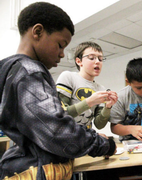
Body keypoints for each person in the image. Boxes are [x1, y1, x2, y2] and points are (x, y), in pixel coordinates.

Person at [0, 2, 116, 179]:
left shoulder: (11, 70)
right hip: (37, 171)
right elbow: (57, 131)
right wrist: (104, 144)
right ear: (37, 32)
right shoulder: (30, 72)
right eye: (60, 45)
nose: (62, 54)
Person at [56, 41, 118, 130]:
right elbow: (61, 113)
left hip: (85, 136)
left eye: (100, 59)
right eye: (92, 58)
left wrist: (108, 107)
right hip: (66, 136)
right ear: (79, 61)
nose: (97, 62)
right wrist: (90, 102)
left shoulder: (100, 89)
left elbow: (99, 125)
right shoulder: (68, 77)